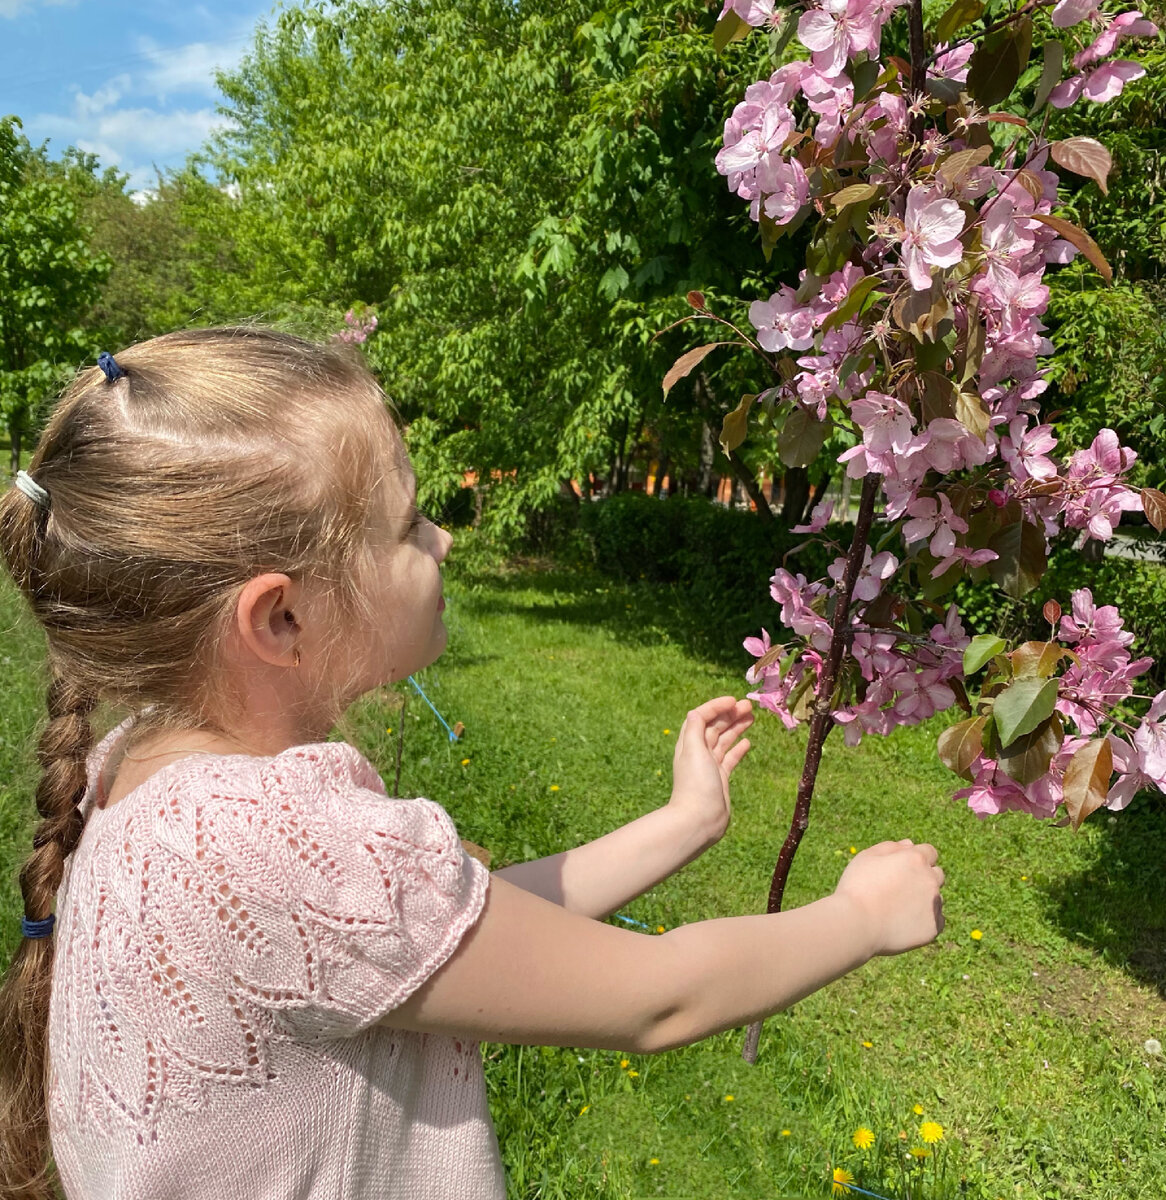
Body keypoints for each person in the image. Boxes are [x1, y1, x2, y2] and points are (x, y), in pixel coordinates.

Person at [0, 327, 944, 1200]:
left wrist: (683, 823)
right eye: (409, 525)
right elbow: (662, 999)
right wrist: (859, 917)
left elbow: (441, 930)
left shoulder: (145, 772)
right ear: (282, 618)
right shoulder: (265, 836)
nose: (443, 539)